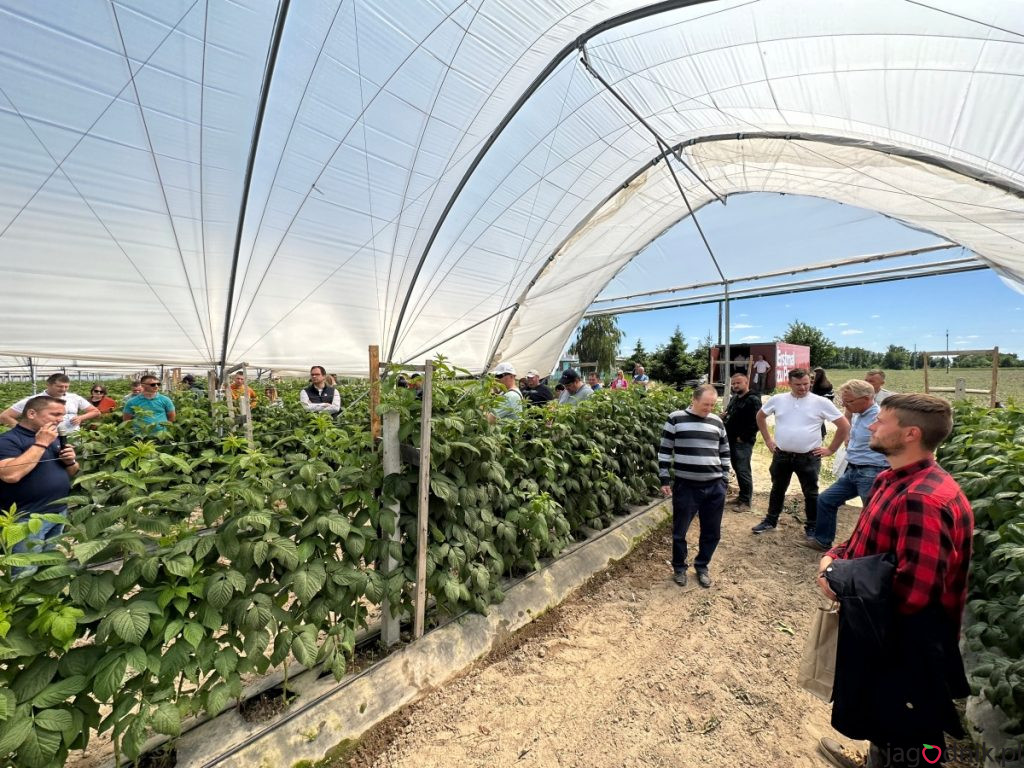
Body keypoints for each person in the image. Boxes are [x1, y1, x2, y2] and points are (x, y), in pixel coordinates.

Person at [815, 394, 973, 768]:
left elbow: (913, 594)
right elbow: (863, 540)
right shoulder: (891, 479)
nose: (871, 425)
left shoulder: (923, 499)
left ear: (910, 434)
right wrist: (834, 557)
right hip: (884, 631)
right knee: (880, 717)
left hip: (903, 640)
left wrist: (841, 582)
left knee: (905, 728)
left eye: (882, 421)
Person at [752, 369, 849, 536]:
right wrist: (768, 439)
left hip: (808, 457)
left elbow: (844, 425)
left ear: (811, 382)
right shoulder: (778, 399)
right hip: (782, 455)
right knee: (777, 489)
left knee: (811, 493)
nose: (803, 388)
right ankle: (770, 520)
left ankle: (812, 526)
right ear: (789, 383)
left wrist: (831, 449)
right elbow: (760, 416)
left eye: (806, 384)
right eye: (798, 384)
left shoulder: (821, 402)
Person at [801, 379, 889, 552]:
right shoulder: (858, 414)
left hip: (871, 471)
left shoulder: (879, 419)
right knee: (826, 500)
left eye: (849, 401)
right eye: (843, 400)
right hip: (853, 470)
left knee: (872, 513)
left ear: (866, 399)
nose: (844, 405)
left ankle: (873, 550)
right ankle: (822, 541)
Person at [658, 384, 730, 588]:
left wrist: (724, 479)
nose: (709, 408)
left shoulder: (717, 421)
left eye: (712, 405)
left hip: (714, 486)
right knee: (680, 531)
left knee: (712, 531)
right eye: (706, 404)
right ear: (694, 400)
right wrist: (664, 478)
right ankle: (679, 568)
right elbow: (665, 450)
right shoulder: (676, 419)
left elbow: (724, 450)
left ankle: (702, 566)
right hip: (686, 486)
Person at [0, 396, 80, 575]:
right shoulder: (7, 441)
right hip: (27, 519)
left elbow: (71, 472)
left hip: (57, 512)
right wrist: (41, 443)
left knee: (46, 568)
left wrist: (70, 462)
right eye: (55, 414)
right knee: (24, 573)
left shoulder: (54, 437)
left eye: (62, 415)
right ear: (31, 413)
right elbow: (10, 475)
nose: (60, 420)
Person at [0, 373, 101, 432]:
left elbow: (95, 411)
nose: (63, 389)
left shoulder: (74, 398)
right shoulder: (35, 400)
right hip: (47, 441)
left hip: (75, 438)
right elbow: (4, 416)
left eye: (66, 387)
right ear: (48, 385)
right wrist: (24, 431)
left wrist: (81, 417)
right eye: (59, 386)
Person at [722, 373, 760, 510]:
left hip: (742, 442)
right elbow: (730, 414)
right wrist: (724, 416)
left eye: (738, 383)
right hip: (731, 439)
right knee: (737, 468)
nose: (735, 386)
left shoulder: (753, 400)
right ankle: (742, 496)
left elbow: (757, 422)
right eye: (733, 383)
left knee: (743, 470)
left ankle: (745, 502)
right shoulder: (735, 398)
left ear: (746, 382)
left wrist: (743, 437)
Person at [812, 367, 835, 439]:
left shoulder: (817, 385)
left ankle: (822, 434)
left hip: (820, 404)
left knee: (818, 419)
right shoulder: (828, 383)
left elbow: (814, 395)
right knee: (820, 419)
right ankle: (823, 433)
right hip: (827, 403)